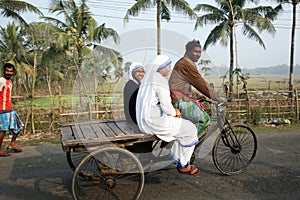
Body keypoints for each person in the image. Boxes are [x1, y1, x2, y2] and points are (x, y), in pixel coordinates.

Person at [136, 54, 200, 175]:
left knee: (181, 127)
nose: (169, 69)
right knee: (190, 129)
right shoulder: (160, 80)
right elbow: (166, 106)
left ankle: (178, 157)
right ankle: (184, 165)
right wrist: (175, 112)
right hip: (155, 122)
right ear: (161, 67)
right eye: (168, 66)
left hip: (144, 121)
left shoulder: (147, 79)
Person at [169, 40, 225, 136]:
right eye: (195, 51)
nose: (198, 54)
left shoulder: (185, 63)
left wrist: (198, 96)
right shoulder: (186, 64)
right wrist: (218, 98)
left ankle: (183, 140)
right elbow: (200, 83)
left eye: (199, 52)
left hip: (178, 98)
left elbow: (184, 87)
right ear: (188, 51)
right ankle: (186, 143)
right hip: (178, 100)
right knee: (205, 120)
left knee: (191, 123)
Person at [0, 63, 24, 157]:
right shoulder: (1, 80)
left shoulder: (9, 82)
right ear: (4, 71)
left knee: (19, 126)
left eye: (10, 71)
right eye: (7, 71)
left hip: (10, 109)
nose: (8, 73)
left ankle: (12, 144)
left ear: (13, 72)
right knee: (2, 131)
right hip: (2, 110)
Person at [123, 62, 145, 126]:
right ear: (132, 73)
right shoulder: (131, 86)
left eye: (143, 71)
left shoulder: (136, 84)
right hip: (134, 119)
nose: (141, 74)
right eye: (138, 71)